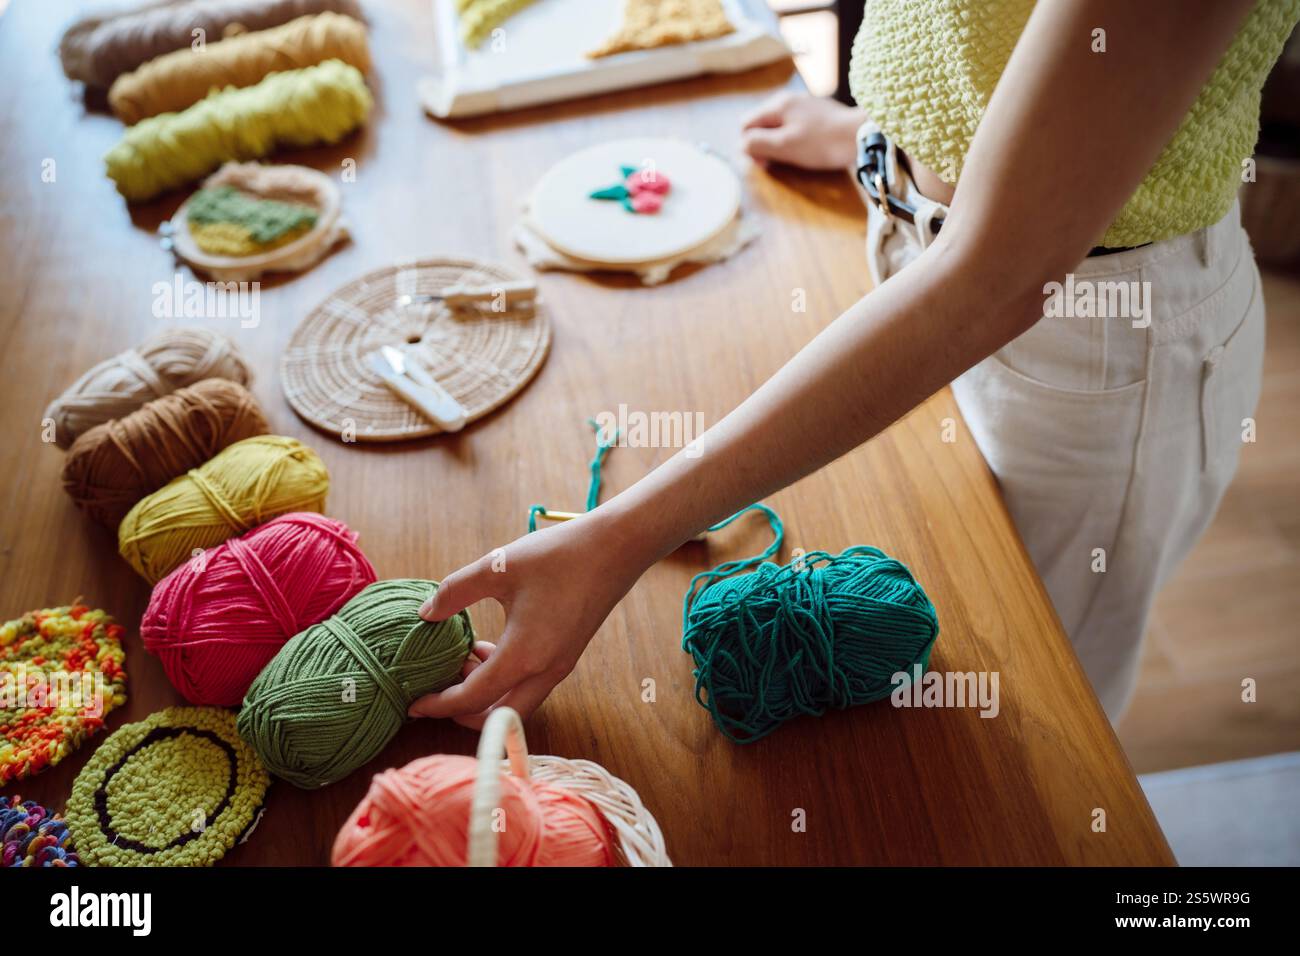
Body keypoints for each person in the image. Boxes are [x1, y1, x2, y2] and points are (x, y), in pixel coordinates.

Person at [410, 0, 1298, 728]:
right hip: (922, 242)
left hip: (1087, 335)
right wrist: (878, 139)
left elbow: (998, 275)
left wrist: (620, 538)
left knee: (1037, 716)